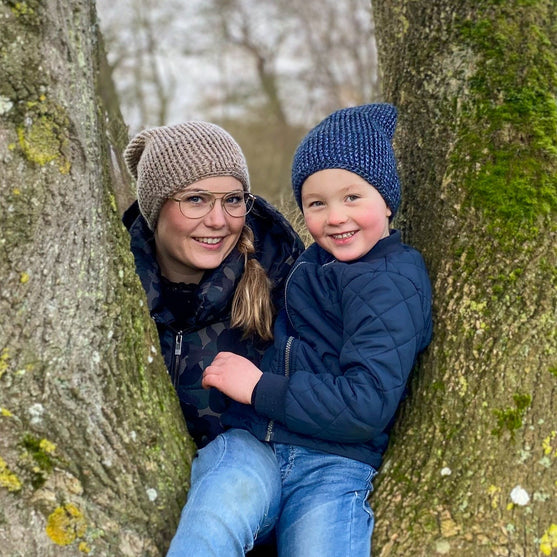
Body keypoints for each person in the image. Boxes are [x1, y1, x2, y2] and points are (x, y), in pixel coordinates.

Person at [166, 103, 433, 557]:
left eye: (352, 197)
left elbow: (366, 403)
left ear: (387, 200)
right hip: (255, 446)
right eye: (316, 203)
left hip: (333, 464)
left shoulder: (391, 282)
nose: (335, 216)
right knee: (213, 521)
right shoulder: (312, 262)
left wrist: (258, 388)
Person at [122, 121, 304, 454]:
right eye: (196, 199)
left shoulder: (284, 282)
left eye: (232, 200)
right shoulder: (113, 287)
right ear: (155, 209)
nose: (218, 221)